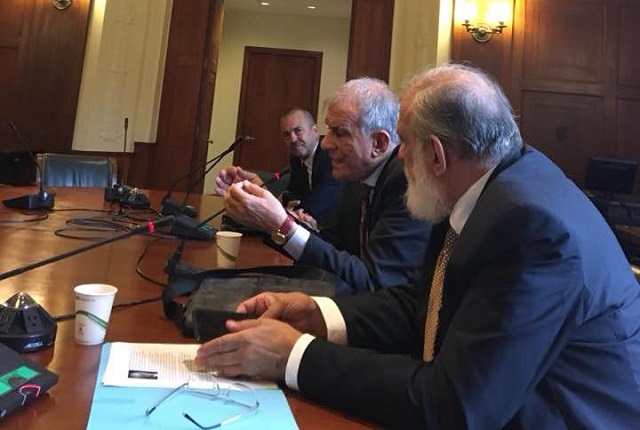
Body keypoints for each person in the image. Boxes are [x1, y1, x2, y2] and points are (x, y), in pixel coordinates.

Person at [195, 63, 640, 428]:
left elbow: (455, 405)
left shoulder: (530, 227)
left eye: (404, 142)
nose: (399, 156)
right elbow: (422, 305)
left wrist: (293, 355)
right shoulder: (485, 187)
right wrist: (318, 315)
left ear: (437, 154)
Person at [217, 78, 431, 293]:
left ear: (378, 143)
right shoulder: (357, 176)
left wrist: (281, 226)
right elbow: (332, 245)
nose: (326, 143)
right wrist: (265, 215)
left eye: (339, 132)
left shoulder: (407, 182)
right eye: (328, 130)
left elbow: (373, 282)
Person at [216, 108, 342, 227]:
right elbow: (293, 194)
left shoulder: (330, 154)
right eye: (287, 135)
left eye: (298, 131)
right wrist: (267, 196)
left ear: (315, 130)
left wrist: (290, 212)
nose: (293, 139)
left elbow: (321, 203)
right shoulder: (296, 156)